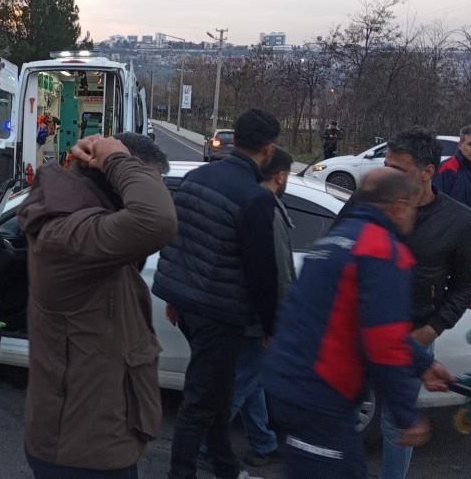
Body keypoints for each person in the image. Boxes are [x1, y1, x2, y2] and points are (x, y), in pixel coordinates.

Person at [264, 167, 452, 479]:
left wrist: (421, 363)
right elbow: (383, 343)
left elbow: (365, 322)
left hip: (290, 384)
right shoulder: (382, 250)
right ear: (400, 205)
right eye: (414, 208)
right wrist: (406, 415)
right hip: (319, 392)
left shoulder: (336, 238)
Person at [16, 132, 178, 478]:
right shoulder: (67, 238)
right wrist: (118, 159)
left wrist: (116, 163)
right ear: (114, 181)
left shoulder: (86, 224)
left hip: (95, 437)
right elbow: (157, 219)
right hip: (82, 453)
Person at [153, 109, 281, 479]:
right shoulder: (255, 198)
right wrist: (270, 324)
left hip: (187, 304)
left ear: (235, 138)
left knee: (218, 395)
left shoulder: (197, 176)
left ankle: (226, 468)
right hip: (219, 311)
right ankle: (181, 472)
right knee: (200, 401)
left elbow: (177, 242)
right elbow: (262, 271)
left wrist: (175, 297)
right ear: (269, 148)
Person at [374, 127, 471, 479]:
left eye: (399, 170)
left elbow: (466, 285)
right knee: (339, 417)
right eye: (386, 166)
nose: (389, 177)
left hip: (414, 335)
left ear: (427, 171)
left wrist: (429, 330)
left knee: (396, 424)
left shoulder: (460, 221)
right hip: (361, 330)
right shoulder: (370, 204)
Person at [204, 147, 295, 468]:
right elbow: (279, 271)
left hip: (241, 310)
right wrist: (275, 323)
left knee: (251, 382)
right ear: (281, 176)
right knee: (241, 384)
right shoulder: (265, 207)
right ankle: (206, 448)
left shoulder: (246, 199)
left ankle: (262, 441)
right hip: (257, 317)